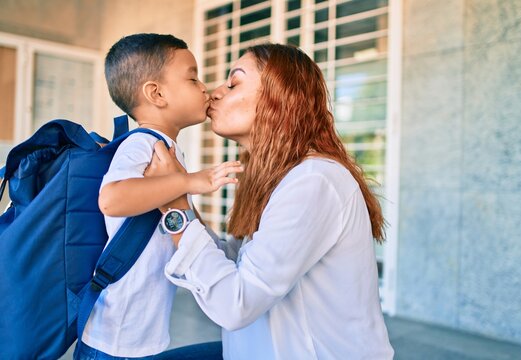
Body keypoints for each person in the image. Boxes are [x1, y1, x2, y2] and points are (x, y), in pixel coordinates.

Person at [146, 43, 394, 359]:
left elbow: (235, 303)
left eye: (233, 83)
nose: (215, 92)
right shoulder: (270, 178)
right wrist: (178, 195)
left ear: (279, 98)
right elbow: (233, 263)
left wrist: (175, 211)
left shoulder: (313, 181)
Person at [76, 33, 242, 359]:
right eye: (193, 78)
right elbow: (112, 199)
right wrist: (190, 181)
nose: (204, 87)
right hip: (115, 336)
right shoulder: (141, 144)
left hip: (139, 334)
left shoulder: (167, 148)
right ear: (156, 93)